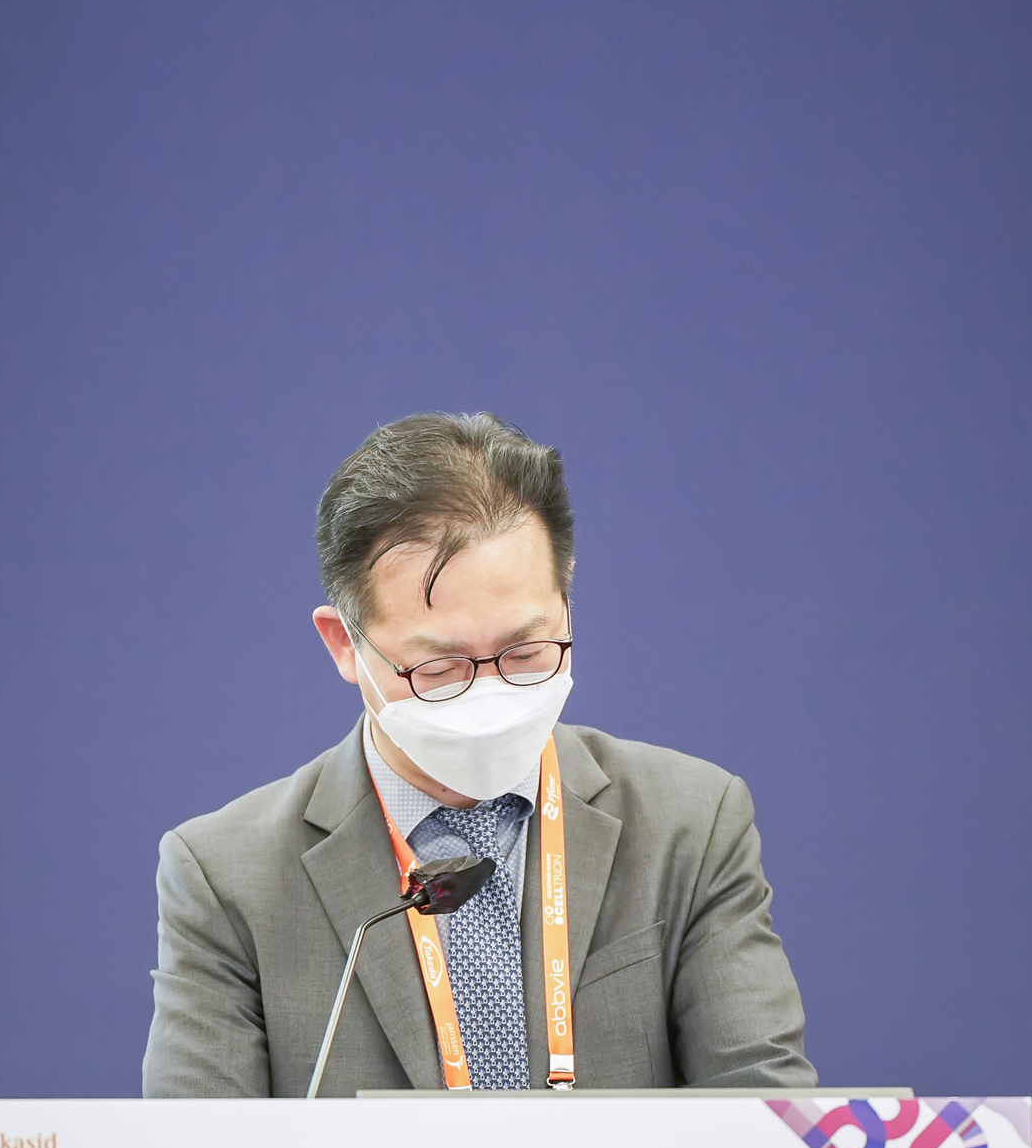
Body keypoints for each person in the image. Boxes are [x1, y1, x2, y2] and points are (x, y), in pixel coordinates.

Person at [143, 413, 816, 1097]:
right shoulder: (226, 878)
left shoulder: (690, 824)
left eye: (525, 652)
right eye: (439, 668)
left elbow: (769, 1116)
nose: (489, 694)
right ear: (344, 644)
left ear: (567, 605)